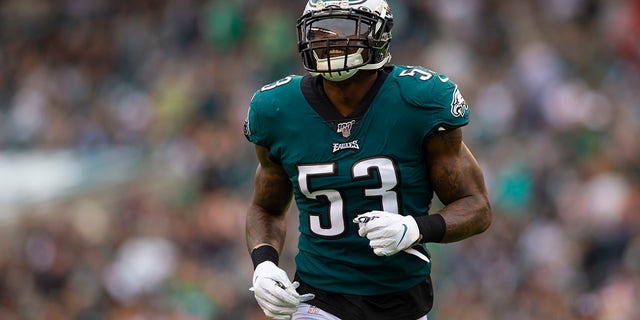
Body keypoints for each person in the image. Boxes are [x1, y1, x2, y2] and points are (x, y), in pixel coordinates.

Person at [243, 0, 492, 319]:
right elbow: (266, 207)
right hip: (319, 297)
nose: (330, 40)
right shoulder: (277, 109)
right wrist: (264, 264)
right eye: (319, 31)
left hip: (404, 300)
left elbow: (477, 206)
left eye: (346, 29)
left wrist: (416, 228)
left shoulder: (418, 100)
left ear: (379, 34)